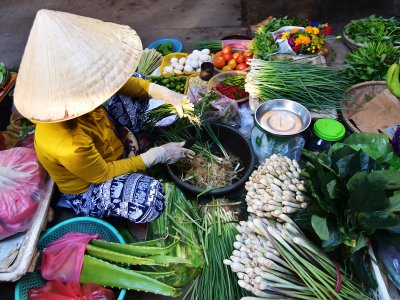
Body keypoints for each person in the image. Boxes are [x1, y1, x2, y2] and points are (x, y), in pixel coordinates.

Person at [14, 10, 194, 223]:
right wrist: (155, 156)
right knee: (151, 198)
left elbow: (124, 83)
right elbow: (102, 174)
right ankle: (130, 161)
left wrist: (167, 94)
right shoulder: (67, 143)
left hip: (111, 141)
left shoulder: (83, 88)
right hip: (90, 185)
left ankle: (131, 145)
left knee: (128, 81)